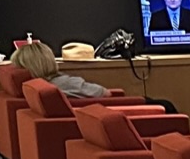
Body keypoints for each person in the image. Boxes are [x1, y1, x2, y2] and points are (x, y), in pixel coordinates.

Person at [10, 39, 180, 112]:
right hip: (110, 113)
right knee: (165, 105)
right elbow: (105, 94)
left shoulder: (34, 88)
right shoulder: (65, 84)